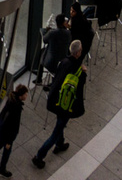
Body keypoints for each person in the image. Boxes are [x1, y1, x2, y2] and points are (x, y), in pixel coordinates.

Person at [30, 40, 85, 168]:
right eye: (81, 50)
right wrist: (84, 73)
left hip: (56, 99)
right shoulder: (77, 69)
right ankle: (39, 156)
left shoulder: (64, 62)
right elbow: (80, 87)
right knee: (56, 130)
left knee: (60, 124)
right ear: (77, 53)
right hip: (66, 104)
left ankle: (60, 144)